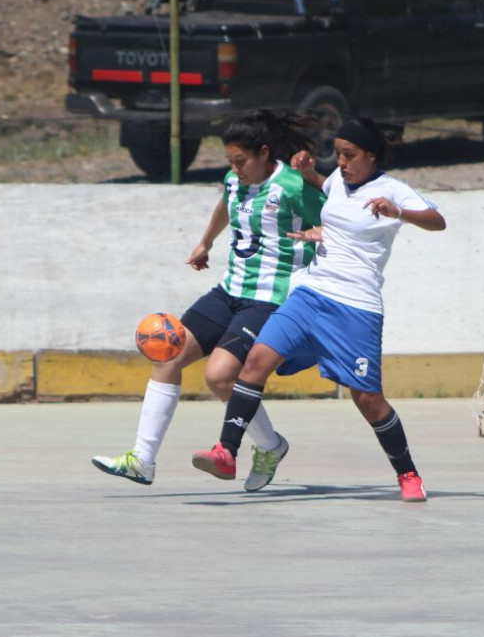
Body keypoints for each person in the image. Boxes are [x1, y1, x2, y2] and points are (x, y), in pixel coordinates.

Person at [190, 117, 447, 502]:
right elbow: (328, 190)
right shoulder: (338, 182)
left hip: (355, 306)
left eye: (350, 155)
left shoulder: (392, 189)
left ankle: (408, 473)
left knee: (368, 400)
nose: (341, 162)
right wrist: (311, 173)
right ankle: (226, 452)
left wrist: (399, 213)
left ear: (371, 156)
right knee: (256, 361)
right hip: (311, 293)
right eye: (339, 154)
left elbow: (438, 221)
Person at [92, 110, 325, 491]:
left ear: (264, 153)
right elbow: (225, 204)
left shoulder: (293, 187)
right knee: (167, 353)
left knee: (219, 377)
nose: (235, 169)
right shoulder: (236, 180)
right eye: (230, 162)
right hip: (229, 291)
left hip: (268, 300)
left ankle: (269, 446)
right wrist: (206, 242)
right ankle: (142, 460)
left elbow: (336, 220)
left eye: (241, 161)